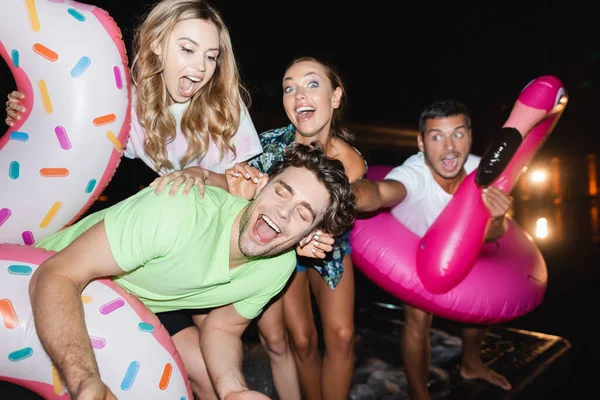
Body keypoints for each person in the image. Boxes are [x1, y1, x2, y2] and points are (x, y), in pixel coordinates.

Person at [30, 143, 357, 400]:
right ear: (261, 183)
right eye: (282, 191)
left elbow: (224, 328)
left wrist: (234, 391)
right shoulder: (178, 211)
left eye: (303, 214)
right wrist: (86, 380)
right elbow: (56, 274)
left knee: (215, 386)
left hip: (133, 302)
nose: (282, 213)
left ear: (310, 235)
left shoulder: (279, 265)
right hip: (45, 274)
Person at [5, 0, 263, 194]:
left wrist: (200, 175)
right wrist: (32, 114)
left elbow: (242, 187)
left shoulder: (224, 103)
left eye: (211, 56)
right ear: (157, 44)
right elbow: (75, 135)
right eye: (187, 49)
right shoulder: (127, 102)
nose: (201, 67)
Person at [351, 99, 514, 400]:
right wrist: (341, 192)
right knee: (418, 315)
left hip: (460, 245)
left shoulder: (484, 171)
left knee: (485, 300)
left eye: (458, 134)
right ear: (421, 143)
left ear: (470, 135)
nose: (449, 148)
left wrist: (499, 217)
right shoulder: (413, 174)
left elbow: (494, 233)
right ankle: (418, 394)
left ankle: (471, 363)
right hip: (414, 247)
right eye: (436, 137)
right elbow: (380, 192)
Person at [229, 56, 366, 400]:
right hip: (281, 247)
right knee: (302, 340)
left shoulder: (351, 161)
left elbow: (338, 218)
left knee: (343, 335)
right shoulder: (268, 146)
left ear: (335, 97)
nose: (299, 94)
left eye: (312, 84)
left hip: (328, 247)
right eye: (290, 87)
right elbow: (235, 190)